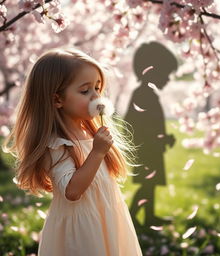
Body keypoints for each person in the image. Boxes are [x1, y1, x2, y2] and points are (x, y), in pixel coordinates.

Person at [2, 48, 143, 256]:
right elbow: (72, 191)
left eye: (97, 88)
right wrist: (96, 153)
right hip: (82, 232)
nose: (96, 97)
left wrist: (99, 149)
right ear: (57, 100)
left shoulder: (91, 134)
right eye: (85, 91)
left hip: (109, 219)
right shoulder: (57, 143)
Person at [125, 41, 177, 226]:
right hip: (146, 150)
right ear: (153, 71)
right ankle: (131, 217)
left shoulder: (147, 94)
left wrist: (163, 138)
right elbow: (136, 124)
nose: (168, 79)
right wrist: (157, 140)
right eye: (166, 74)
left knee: (150, 183)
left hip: (151, 149)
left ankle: (149, 216)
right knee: (147, 184)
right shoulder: (143, 94)